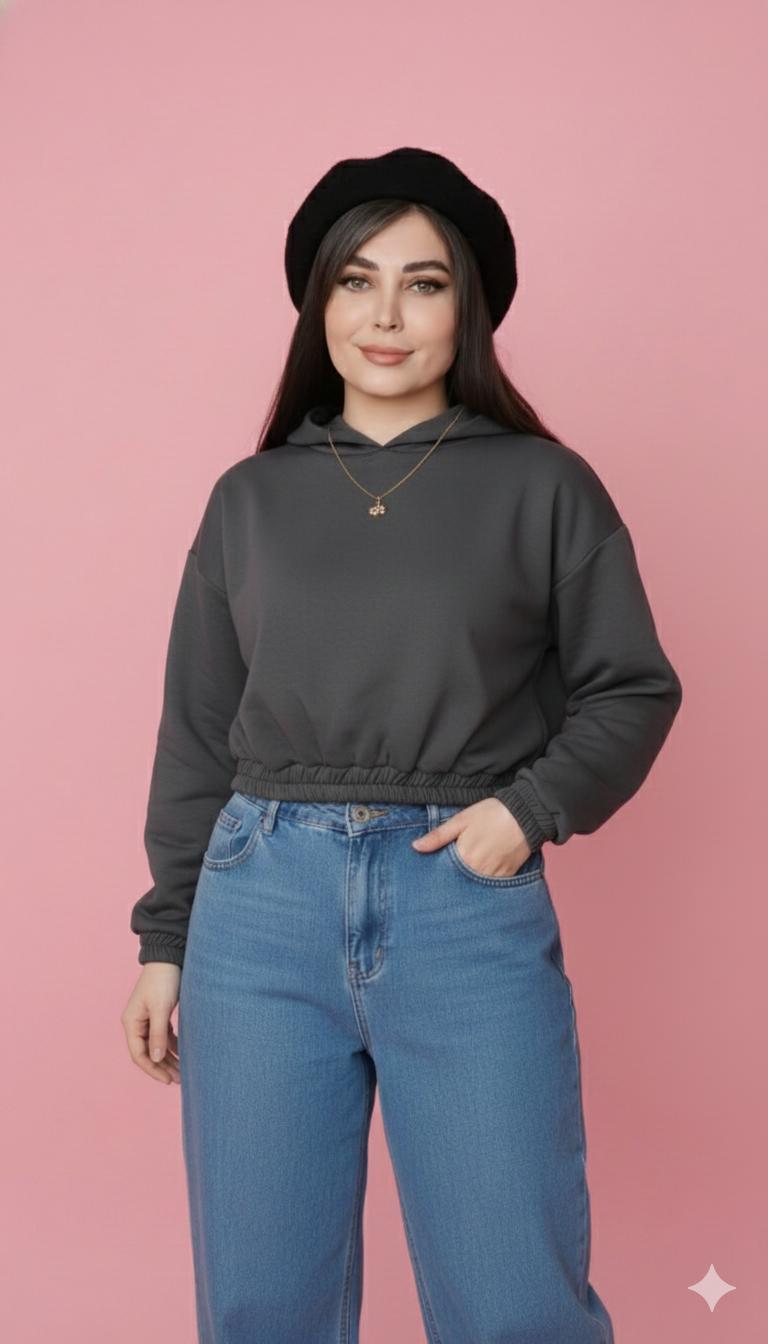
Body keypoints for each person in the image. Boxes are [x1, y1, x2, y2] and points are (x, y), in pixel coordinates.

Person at [121, 146, 682, 1343]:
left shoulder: (544, 487)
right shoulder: (249, 500)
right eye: (356, 280)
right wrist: (167, 939)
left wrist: (524, 814)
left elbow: (632, 687)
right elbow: (199, 732)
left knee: (515, 1300)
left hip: (461, 900)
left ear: (467, 308)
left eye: (423, 285)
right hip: (257, 907)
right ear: (318, 301)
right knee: (262, 1304)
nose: (386, 316)